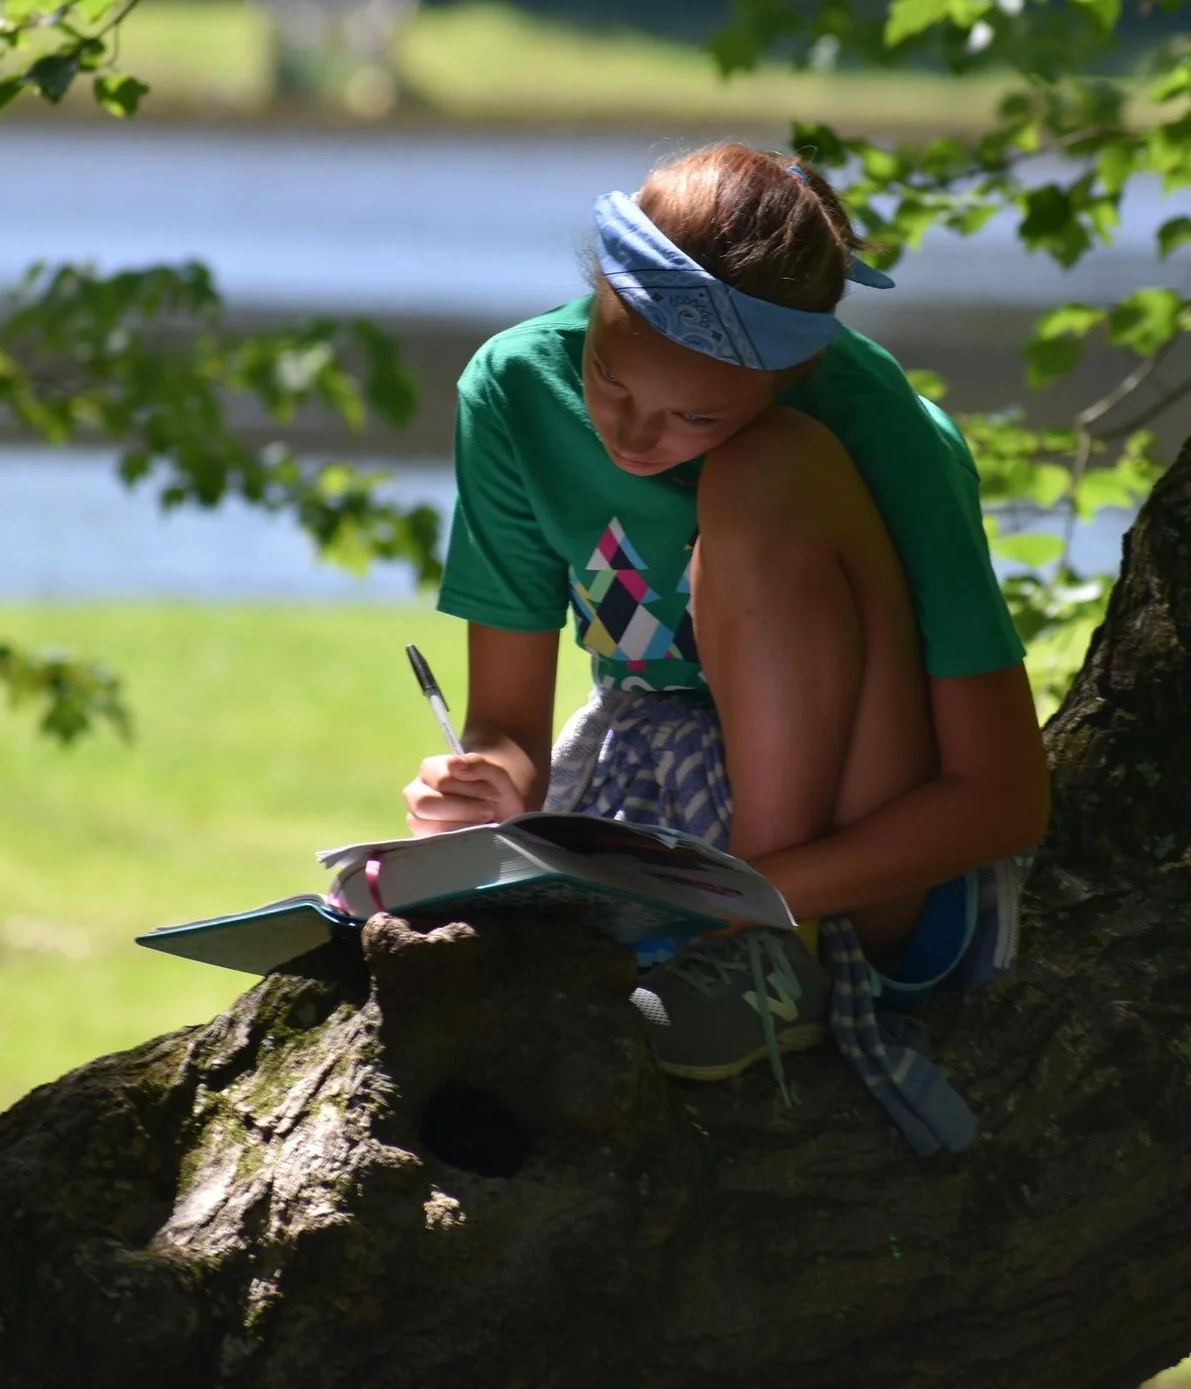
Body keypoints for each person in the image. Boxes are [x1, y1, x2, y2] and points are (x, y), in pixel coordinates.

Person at [402, 142, 1050, 1115]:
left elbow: (1000, 800)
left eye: (693, 418)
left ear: (791, 375)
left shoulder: (880, 428)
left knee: (765, 472)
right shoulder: (514, 392)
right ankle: (704, 947)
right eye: (609, 380)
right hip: (653, 836)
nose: (630, 438)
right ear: (595, 305)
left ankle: (767, 964)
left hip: (854, 862)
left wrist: (747, 899)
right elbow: (509, 728)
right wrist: (490, 784)